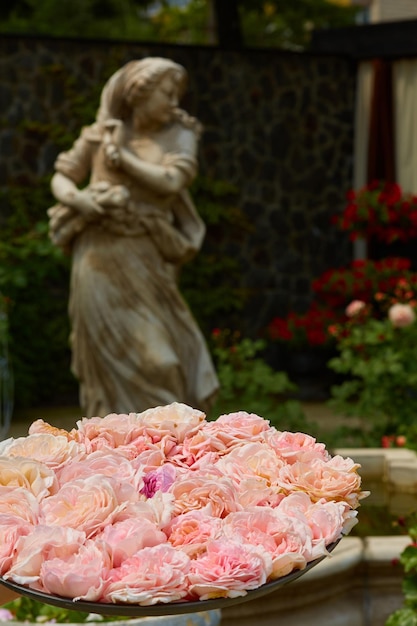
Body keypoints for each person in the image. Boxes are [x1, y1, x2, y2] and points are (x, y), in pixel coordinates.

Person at [48, 57, 219, 417]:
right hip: (97, 256)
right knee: (105, 356)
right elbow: (62, 177)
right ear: (138, 94)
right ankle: (111, 449)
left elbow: (172, 181)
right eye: (166, 94)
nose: (174, 103)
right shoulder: (101, 133)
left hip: (145, 257)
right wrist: (79, 198)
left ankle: (166, 445)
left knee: (163, 361)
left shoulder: (179, 134)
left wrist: (122, 160)